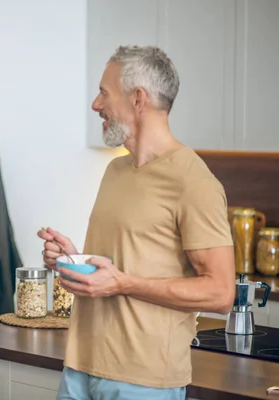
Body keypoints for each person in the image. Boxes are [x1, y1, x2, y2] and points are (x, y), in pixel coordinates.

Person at [38, 45, 236, 399]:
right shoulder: (115, 169)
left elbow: (221, 293)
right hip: (80, 365)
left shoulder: (194, 182)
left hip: (142, 381)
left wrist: (122, 284)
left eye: (103, 93)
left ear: (138, 99)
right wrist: (73, 260)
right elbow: (120, 266)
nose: (95, 105)